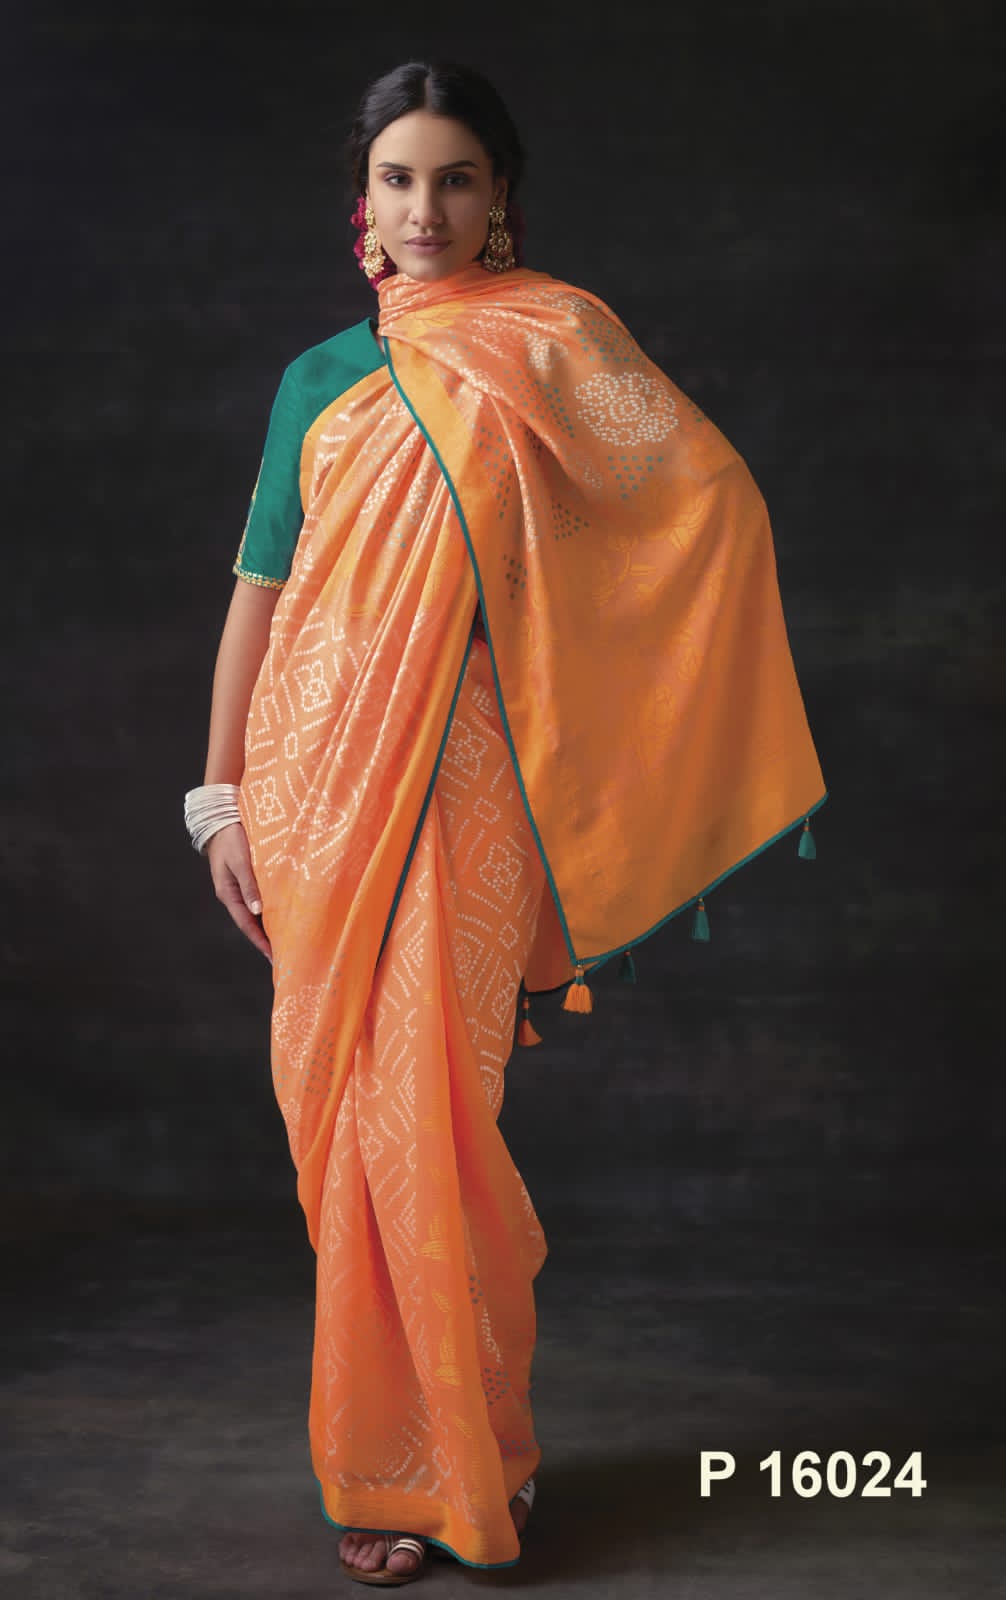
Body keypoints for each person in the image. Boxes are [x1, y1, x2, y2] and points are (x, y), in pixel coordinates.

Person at [184, 60, 826, 1587]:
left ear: (500, 198)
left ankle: (475, 1463)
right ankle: (381, 1464)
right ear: (362, 202)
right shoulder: (315, 382)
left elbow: (699, 501)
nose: (427, 208)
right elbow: (259, 595)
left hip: (469, 775)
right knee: (343, 1120)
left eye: (456, 178)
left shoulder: (555, 343)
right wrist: (218, 800)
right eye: (399, 179)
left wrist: (566, 660)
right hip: (313, 782)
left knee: (434, 1118)